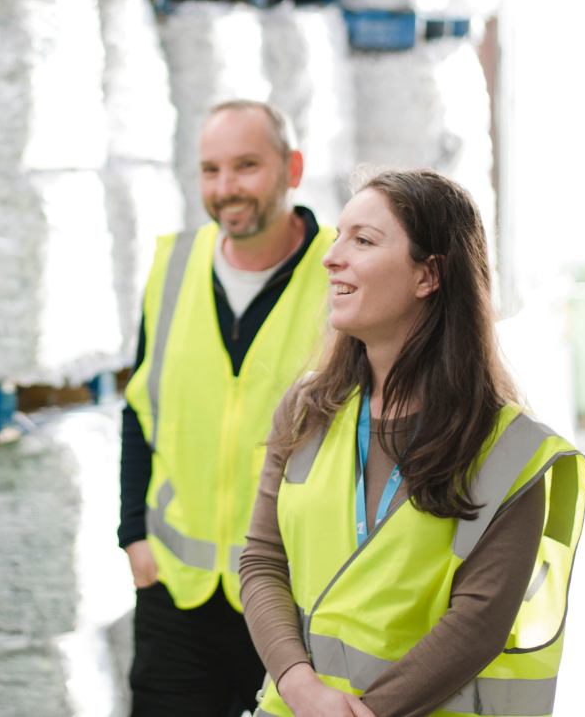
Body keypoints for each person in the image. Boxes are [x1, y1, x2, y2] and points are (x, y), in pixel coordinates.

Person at [239, 169, 585, 717]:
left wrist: (364, 713)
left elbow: (478, 622)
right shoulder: (307, 411)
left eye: (363, 240)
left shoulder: (509, 450)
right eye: (338, 236)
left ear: (429, 276)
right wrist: (300, 687)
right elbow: (261, 561)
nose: (332, 257)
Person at [119, 100, 338, 716]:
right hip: (176, 591)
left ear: (291, 168)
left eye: (246, 166)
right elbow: (141, 408)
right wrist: (133, 534)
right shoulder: (172, 265)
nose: (226, 188)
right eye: (210, 170)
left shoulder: (339, 274)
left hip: (292, 596)